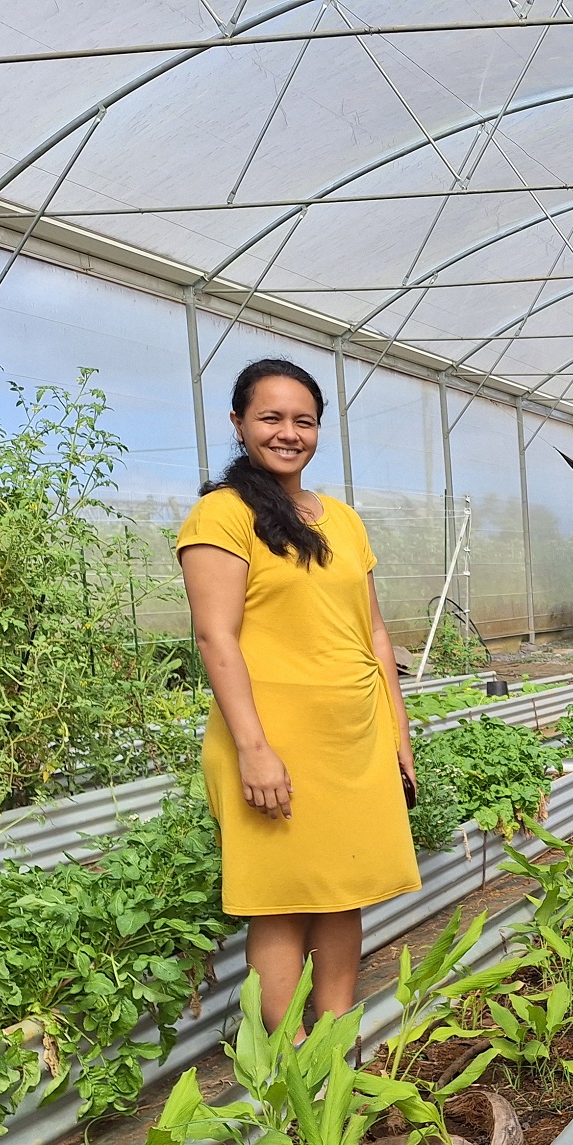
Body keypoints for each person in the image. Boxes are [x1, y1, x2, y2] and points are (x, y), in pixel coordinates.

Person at [177, 358, 421, 1030]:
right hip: (274, 738)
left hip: (354, 735)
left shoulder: (342, 520)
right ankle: (285, 1070)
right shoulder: (220, 516)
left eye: (303, 421)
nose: (289, 433)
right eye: (271, 418)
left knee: (345, 891)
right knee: (281, 899)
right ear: (238, 424)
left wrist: (398, 735)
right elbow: (215, 639)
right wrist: (254, 750)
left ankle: (335, 1046)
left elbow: (373, 630)